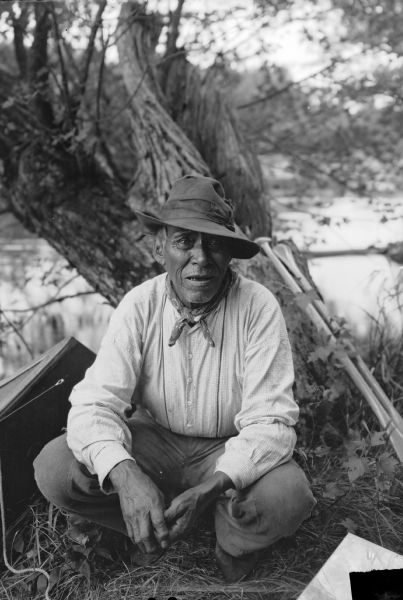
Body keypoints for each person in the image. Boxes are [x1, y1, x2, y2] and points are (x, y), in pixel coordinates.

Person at [34, 175, 316, 582]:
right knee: (57, 469)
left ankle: (231, 541)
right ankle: (146, 521)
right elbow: (94, 403)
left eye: (215, 243)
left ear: (231, 253)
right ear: (159, 247)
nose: (200, 258)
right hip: (157, 441)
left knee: (288, 497)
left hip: (227, 447)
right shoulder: (139, 305)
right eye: (185, 241)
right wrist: (127, 475)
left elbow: (271, 421)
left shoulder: (258, 307)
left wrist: (215, 484)